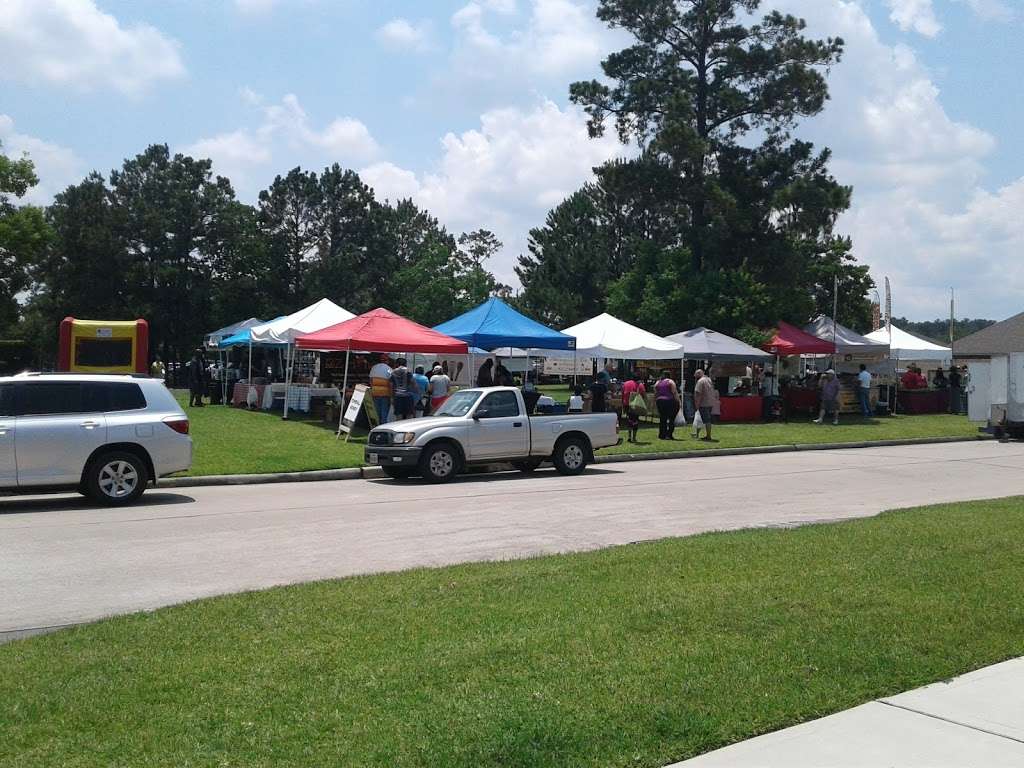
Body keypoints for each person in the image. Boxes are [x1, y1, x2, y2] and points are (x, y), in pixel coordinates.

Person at [654, 370, 682, 440]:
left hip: (660, 401)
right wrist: (679, 402)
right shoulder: (671, 382)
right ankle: (669, 434)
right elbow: (674, 392)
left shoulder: (658, 382)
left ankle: (662, 435)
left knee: (662, 418)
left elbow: (655, 392)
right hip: (669, 401)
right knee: (671, 419)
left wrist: (655, 401)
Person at [621, 372, 646, 443]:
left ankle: (629, 436)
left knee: (629, 420)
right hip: (635, 405)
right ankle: (634, 437)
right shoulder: (640, 385)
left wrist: (623, 403)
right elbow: (643, 394)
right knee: (635, 421)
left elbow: (622, 393)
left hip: (626, 404)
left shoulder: (625, 383)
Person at [369, 354, 393, 424]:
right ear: (387, 361)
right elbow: (391, 383)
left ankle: (377, 425)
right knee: (384, 412)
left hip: (375, 392)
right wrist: (391, 396)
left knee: (377, 411)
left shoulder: (374, 367)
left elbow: (370, 380)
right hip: (385, 393)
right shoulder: (389, 369)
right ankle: (382, 426)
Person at [693, 368, 715, 440]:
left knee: (706, 420)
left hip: (703, 403)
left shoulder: (700, 381)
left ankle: (708, 436)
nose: (695, 376)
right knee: (700, 419)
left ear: (699, 374)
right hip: (710, 402)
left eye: (696, 374)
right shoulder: (709, 379)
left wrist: (697, 404)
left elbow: (698, 393)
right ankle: (697, 434)